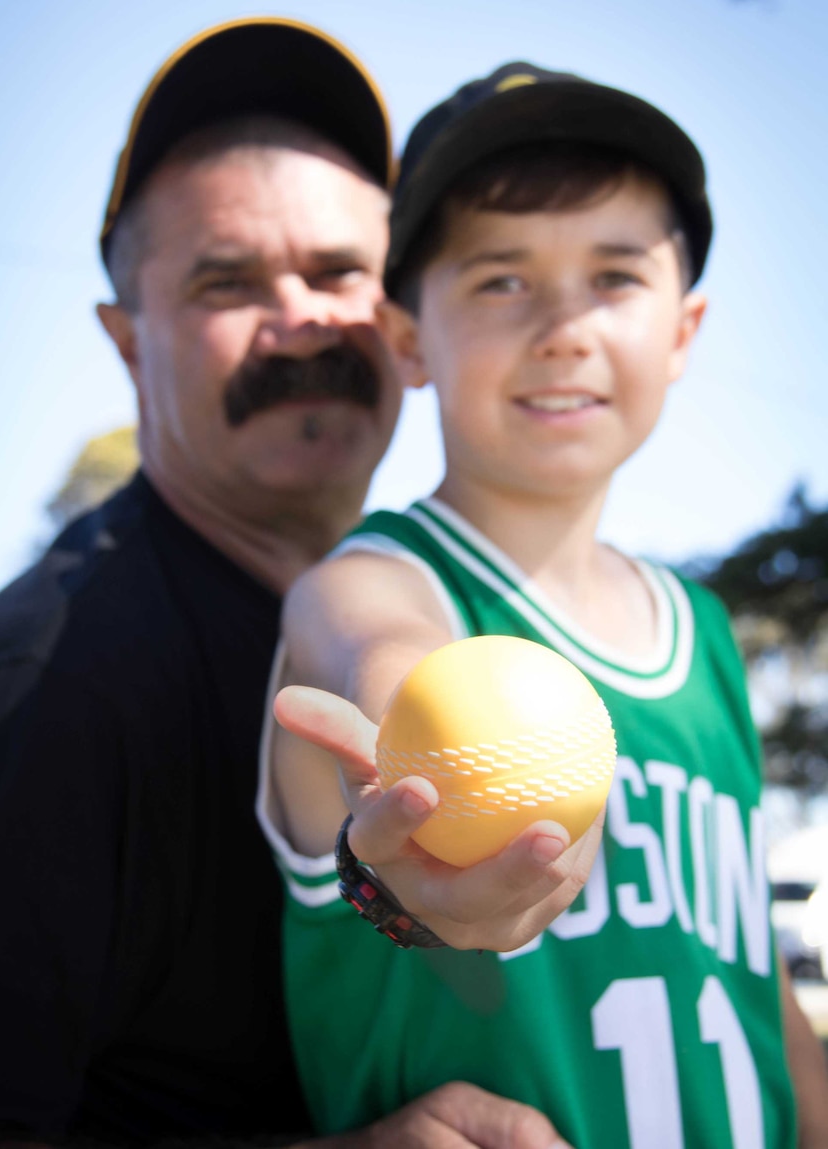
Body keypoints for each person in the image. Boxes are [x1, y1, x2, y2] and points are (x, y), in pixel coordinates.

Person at [0, 21, 587, 1149]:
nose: (301, 316)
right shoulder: (43, 692)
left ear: (399, 324)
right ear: (125, 338)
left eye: (339, 270)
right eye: (226, 280)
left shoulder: (471, 620)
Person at [265, 61, 828, 1148]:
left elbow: (762, 999)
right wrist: (421, 778)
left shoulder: (705, 635)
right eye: (500, 280)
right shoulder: (378, 579)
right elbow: (374, 645)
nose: (564, 327)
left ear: (683, 329)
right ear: (407, 336)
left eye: (615, 276)